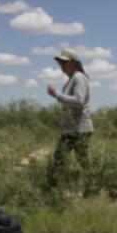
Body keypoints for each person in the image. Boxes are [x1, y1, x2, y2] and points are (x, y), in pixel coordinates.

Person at [46, 48, 93, 182]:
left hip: (79, 128)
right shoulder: (73, 79)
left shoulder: (78, 78)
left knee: (62, 157)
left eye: (64, 62)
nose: (61, 65)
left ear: (74, 62)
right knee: (79, 158)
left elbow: (79, 101)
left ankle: (54, 186)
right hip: (73, 128)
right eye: (60, 62)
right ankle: (91, 185)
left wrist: (56, 94)